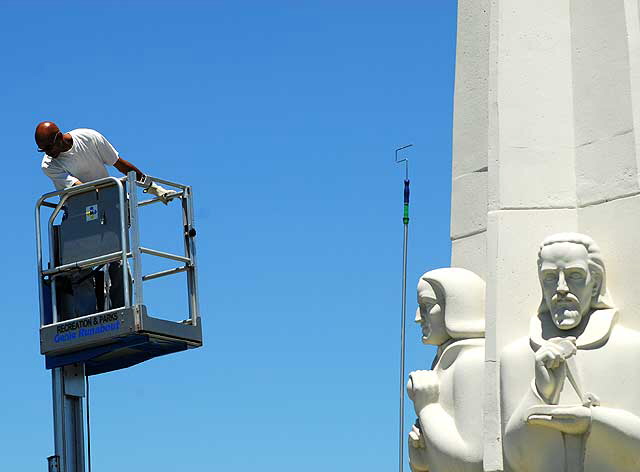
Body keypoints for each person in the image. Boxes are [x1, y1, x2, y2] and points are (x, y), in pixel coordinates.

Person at [501, 233, 640, 471]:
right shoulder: (515, 356)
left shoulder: (632, 349)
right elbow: (514, 459)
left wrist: (593, 421)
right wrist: (541, 393)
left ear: (595, 282)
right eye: (549, 278)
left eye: (575, 276)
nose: (561, 288)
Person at [35, 121, 172, 317]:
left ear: (58, 136)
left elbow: (120, 164)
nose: (47, 153)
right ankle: (88, 319)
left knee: (117, 260)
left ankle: (121, 312)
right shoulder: (49, 164)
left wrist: (152, 186)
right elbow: (79, 187)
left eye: (49, 147)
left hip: (109, 205)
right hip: (80, 212)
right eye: (43, 150)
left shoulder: (88, 138)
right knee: (79, 267)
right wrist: (105, 193)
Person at [406, 267, 485, 472]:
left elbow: (474, 458)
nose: (418, 317)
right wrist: (419, 454)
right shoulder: (446, 362)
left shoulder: (472, 361)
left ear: (457, 305)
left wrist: (427, 407)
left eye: (427, 306)